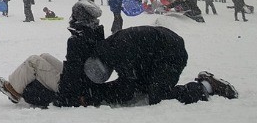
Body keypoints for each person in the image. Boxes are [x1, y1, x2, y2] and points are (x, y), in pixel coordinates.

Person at [89, 26, 238, 105]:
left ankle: (207, 85)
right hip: (159, 50)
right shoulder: (107, 48)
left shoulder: (119, 55)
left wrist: (95, 95)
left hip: (171, 55)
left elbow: (126, 89)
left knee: (158, 96)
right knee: (142, 86)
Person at [0, 0, 105, 107]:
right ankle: (23, 84)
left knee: (33, 61)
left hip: (72, 87)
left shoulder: (77, 39)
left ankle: (14, 91)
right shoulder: (94, 32)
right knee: (45, 56)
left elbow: (74, 69)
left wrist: (70, 94)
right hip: (83, 81)